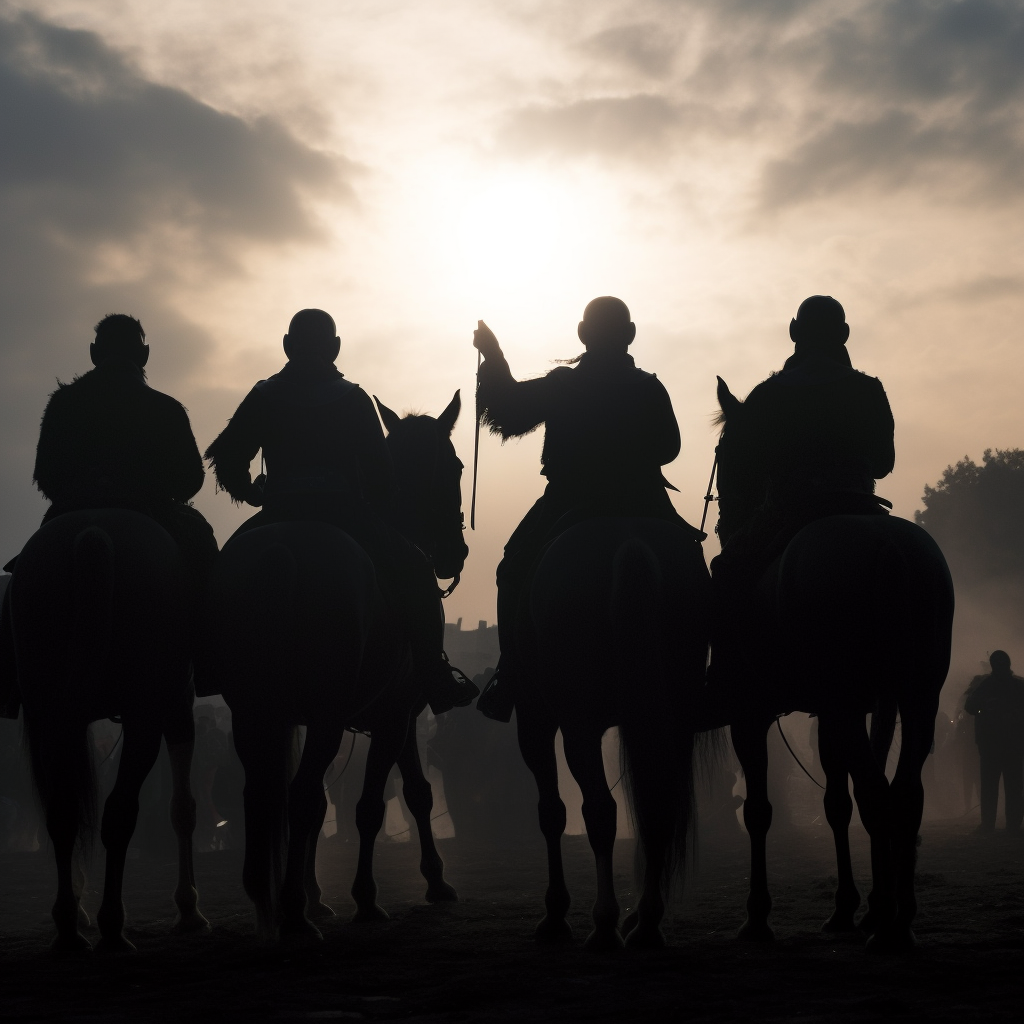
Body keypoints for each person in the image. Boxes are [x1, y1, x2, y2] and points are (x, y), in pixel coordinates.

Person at [203, 308, 475, 714]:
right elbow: (382, 478)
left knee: (219, 575)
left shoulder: (264, 395)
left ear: (287, 346)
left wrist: (254, 494)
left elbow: (225, 458)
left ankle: (204, 662)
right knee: (417, 572)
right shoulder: (352, 398)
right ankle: (433, 676)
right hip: (345, 515)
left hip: (278, 511)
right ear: (335, 348)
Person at [472, 296, 701, 721]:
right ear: (630, 335)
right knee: (694, 567)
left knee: (514, 567)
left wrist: (493, 356)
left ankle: (511, 675)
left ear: (582, 335)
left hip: (570, 499)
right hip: (645, 500)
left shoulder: (564, 385)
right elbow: (669, 447)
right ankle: (703, 677)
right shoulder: (650, 386)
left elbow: (506, 413)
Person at [0, 314, 217, 718]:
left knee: (22, 576)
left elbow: (45, 474)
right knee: (203, 550)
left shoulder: (63, 404)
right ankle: (208, 662)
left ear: (94, 354)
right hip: (147, 509)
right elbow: (190, 478)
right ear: (145, 355)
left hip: (72, 508)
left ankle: (8, 679)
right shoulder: (165, 407)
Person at [708, 295, 895, 693]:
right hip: (862, 505)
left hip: (791, 510)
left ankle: (727, 676)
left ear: (794, 332)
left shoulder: (768, 394)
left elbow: (749, 472)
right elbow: (883, 464)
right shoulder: (868, 388)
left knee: (726, 573)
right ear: (843, 334)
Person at [964, 650, 1024, 834]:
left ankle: (989, 824)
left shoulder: (986, 685)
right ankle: (1012, 825)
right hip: (1010, 744)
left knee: (991, 786)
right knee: (1013, 786)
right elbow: (971, 707)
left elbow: (970, 706)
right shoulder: (1017, 685)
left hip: (993, 745)